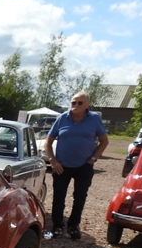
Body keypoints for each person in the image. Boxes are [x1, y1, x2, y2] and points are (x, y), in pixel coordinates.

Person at [44, 91, 109, 240]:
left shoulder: (94, 119)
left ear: (87, 104)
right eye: (73, 102)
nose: (76, 105)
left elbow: (104, 141)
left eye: (80, 103)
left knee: (79, 197)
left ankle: (73, 226)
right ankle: (57, 226)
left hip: (84, 166)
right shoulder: (62, 118)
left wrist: (94, 158)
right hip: (61, 166)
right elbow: (48, 141)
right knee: (59, 197)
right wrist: (53, 160)